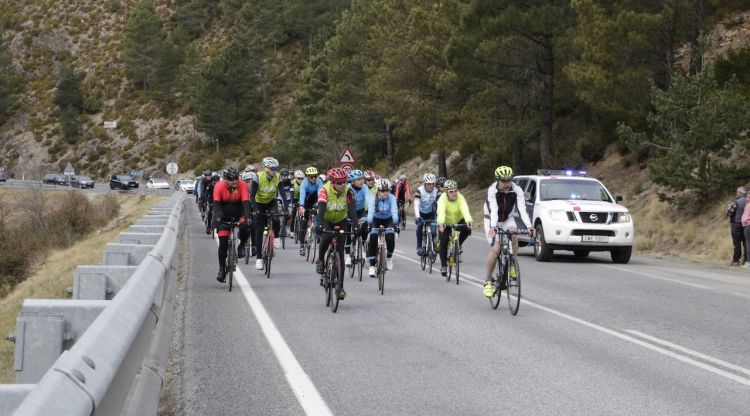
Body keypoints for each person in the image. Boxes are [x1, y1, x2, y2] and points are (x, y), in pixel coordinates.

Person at [483, 166, 535, 297]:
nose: (507, 184)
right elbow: (494, 210)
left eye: (509, 180)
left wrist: (529, 226)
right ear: (498, 180)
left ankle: (512, 263)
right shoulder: (492, 190)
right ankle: (488, 280)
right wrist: (494, 226)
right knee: (496, 250)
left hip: (507, 218)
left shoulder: (517, 190)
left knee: (513, 235)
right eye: (504, 181)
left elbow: (522, 209)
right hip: (491, 219)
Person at [315, 168, 358, 300]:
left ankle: (340, 287)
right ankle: (321, 259)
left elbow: (351, 210)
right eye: (339, 183)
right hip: (327, 219)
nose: (342, 185)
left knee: (339, 251)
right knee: (326, 237)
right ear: (332, 183)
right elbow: (321, 208)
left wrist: (356, 225)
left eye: (344, 182)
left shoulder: (348, 191)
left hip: (341, 219)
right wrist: (319, 224)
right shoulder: (324, 190)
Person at [212, 167, 251, 283]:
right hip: (223, 214)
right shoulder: (218, 186)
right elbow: (217, 206)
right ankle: (221, 269)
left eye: (236, 178)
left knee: (246, 227)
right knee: (223, 242)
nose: (234, 181)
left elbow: (245, 203)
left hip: (239, 212)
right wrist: (218, 218)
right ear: (225, 179)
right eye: (231, 179)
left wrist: (247, 217)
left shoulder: (242, 185)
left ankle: (242, 245)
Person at [249, 157, 283, 270]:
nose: (275, 170)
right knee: (259, 231)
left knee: (277, 218)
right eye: (273, 168)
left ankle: (277, 237)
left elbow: (282, 194)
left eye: (276, 168)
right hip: (259, 203)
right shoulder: (258, 177)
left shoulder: (278, 177)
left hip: (271, 202)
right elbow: (252, 196)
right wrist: (255, 209)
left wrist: (287, 209)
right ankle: (258, 259)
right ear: (266, 168)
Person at [436, 180, 473, 276]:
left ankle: (458, 244)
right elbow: (441, 212)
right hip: (446, 222)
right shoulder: (442, 199)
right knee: (443, 241)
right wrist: (441, 223)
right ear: (446, 192)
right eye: (451, 191)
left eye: (455, 191)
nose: (454, 193)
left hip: (458, 219)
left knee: (467, 229)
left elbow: (465, 209)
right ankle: (444, 266)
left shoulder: (460, 197)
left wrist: (469, 221)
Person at [367, 178, 399, 277]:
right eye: (383, 191)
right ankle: (372, 266)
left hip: (388, 220)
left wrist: (395, 223)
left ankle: (389, 257)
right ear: (378, 191)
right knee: (372, 238)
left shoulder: (392, 198)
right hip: (376, 220)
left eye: (387, 190)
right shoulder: (374, 198)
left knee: (390, 236)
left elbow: (394, 211)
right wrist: (369, 223)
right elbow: (371, 212)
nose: (385, 193)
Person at [345, 169, 370, 266]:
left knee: (365, 228)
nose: (361, 181)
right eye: (358, 179)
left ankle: (363, 249)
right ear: (352, 181)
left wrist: (371, 212)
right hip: (349, 212)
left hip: (360, 211)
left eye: (362, 179)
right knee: (347, 233)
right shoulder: (347, 188)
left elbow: (368, 200)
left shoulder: (365, 188)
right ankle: (347, 255)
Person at [298, 166, 324, 255]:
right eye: (311, 176)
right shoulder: (304, 183)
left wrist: (318, 206)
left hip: (315, 201)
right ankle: (302, 245)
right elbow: (302, 195)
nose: (313, 178)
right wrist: (301, 206)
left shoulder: (319, 182)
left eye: (315, 176)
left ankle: (319, 235)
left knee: (319, 216)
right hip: (305, 202)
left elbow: (320, 194)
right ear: (307, 176)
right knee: (303, 222)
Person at [414, 173, 439, 255]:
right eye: (429, 184)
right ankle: (419, 247)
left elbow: (440, 204)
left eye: (433, 183)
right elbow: (416, 204)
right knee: (419, 228)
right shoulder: (420, 190)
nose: (431, 185)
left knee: (433, 231)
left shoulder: (436, 191)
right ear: (425, 184)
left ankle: (433, 247)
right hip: (421, 213)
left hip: (431, 213)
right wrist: (417, 216)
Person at [727, 186, 747, 266]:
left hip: (736, 224)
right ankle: (746, 260)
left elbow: (729, 212)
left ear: (739, 193)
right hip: (746, 224)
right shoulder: (748, 201)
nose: (736, 194)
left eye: (737, 192)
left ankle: (736, 261)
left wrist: (728, 207)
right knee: (746, 243)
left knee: (737, 243)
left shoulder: (737, 202)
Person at [741, 194, 750, 270]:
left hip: (748, 225)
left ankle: (748, 263)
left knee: (748, 244)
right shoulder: (748, 202)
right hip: (746, 225)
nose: (748, 195)